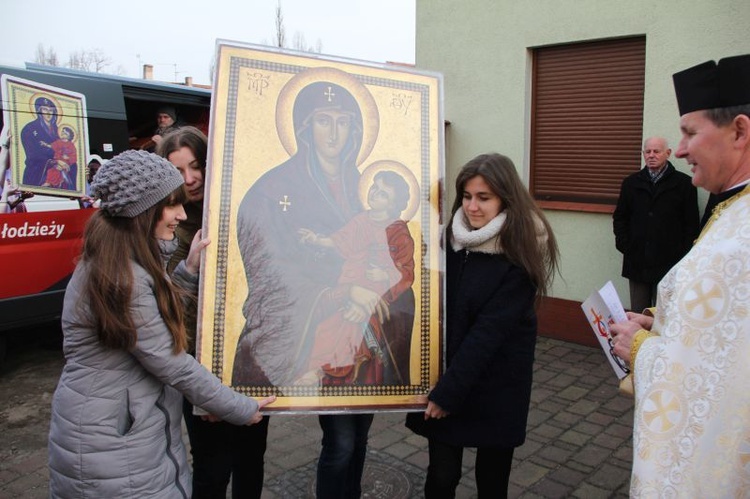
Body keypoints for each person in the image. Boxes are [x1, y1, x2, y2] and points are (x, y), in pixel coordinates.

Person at [47, 149, 275, 498]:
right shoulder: (122, 277)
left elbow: (146, 322)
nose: (181, 215)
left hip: (117, 427)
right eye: (171, 206)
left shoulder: (120, 262)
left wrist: (187, 273)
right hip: (113, 443)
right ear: (142, 213)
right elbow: (171, 362)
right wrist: (239, 407)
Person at [233, 77, 386, 498]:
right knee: (340, 441)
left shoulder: (370, 189)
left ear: (356, 129)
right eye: (323, 120)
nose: (333, 132)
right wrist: (339, 291)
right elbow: (271, 271)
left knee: (360, 437)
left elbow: (390, 250)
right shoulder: (273, 190)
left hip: (364, 337)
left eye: (342, 121)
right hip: (316, 334)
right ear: (304, 127)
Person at [610, 54, 750, 496]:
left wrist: (638, 347)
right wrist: (660, 320)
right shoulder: (731, 208)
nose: (682, 148)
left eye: (690, 132)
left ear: (740, 131)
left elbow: (714, 377)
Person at [406, 153, 559, 498]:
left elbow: (489, 333)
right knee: (442, 476)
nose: (473, 207)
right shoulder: (448, 240)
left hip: (496, 382)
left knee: (492, 481)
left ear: (506, 198)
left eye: (484, 198)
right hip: (450, 376)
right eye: (467, 196)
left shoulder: (521, 249)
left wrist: (447, 392)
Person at [157, 126, 271, 499]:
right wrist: (203, 391)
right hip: (200, 365)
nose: (190, 180)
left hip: (249, 354)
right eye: (177, 172)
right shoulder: (166, 226)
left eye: (196, 166)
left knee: (252, 457)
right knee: (212, 464)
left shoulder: (239, 208)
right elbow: (168, 311)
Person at [298, 169, 415, 386]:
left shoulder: (399, 232)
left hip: (379, 290)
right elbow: (340, 240)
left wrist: (385, 274)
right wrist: (317, 240)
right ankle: (317, 368)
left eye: (383, 194)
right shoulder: (360, 220)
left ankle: (325, 371)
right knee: (329, 326)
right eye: (374, 188)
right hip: (351, 282)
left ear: (392, 204)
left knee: (353, 323)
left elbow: (406, 270)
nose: (374, 193)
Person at [612, 136, 699, 312]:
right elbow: (620, 217)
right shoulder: (631, 183)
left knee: (664, 315)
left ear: (668, 153)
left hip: (670, 263)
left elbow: (691, 225)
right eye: (648, 151)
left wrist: (682, 255)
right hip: (637, 260)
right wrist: (625, 244)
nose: (651, 155)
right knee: (638, 313)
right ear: (643, 154)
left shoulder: (684, 184)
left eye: (656, 151)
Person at [20, 96, 58, 186]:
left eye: (51, 110)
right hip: (37, 174)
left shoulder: (60, 131)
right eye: (45, 109)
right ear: (39, 111)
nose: (48, 113)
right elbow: (32, 154)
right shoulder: (30, 128)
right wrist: (52, 161)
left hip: (57, 174)